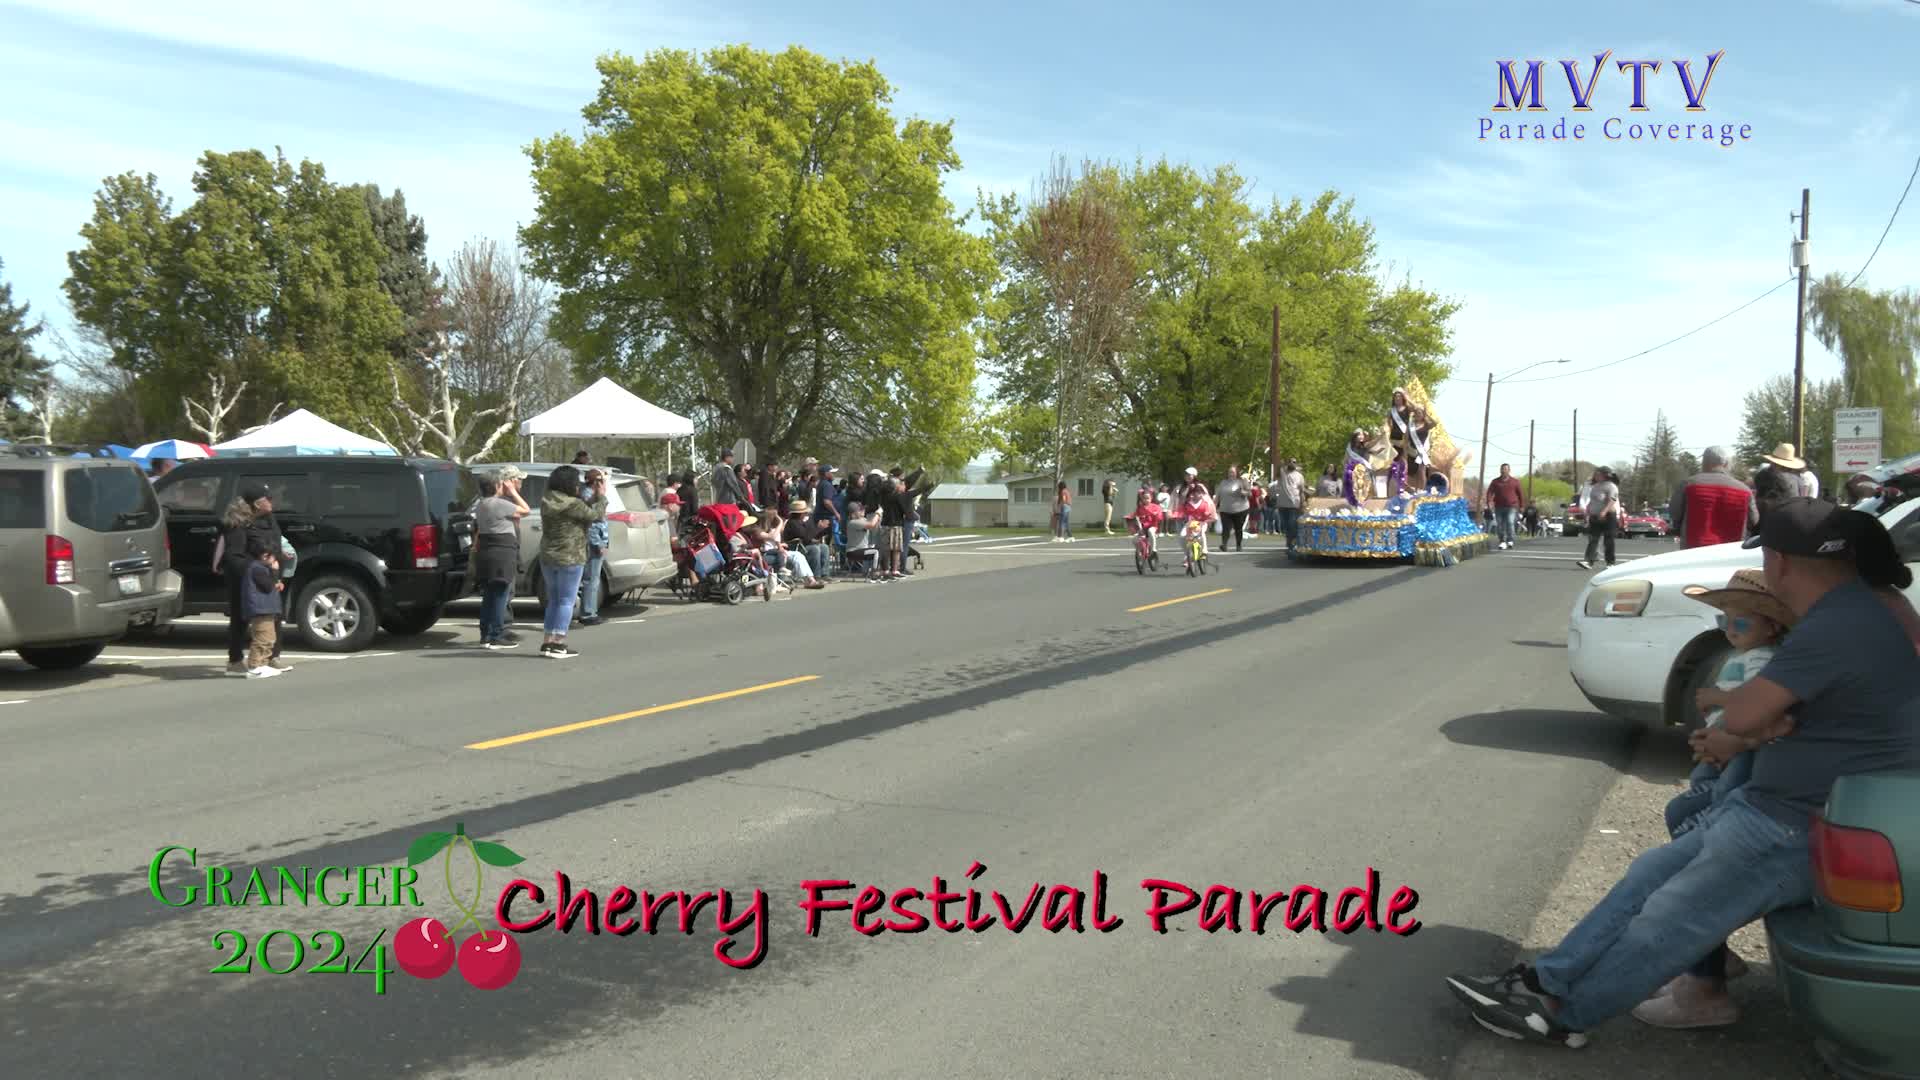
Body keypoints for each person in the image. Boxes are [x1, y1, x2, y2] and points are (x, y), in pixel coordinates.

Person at [1446, 498, 1920, 1046]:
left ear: (1781, 562)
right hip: (1772, 806)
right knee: (1647, 878)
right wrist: (1756, 726)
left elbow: (1745, 712)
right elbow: (1785, 717)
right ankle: (1542, 979)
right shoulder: (1854, 613)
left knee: (1671, 918)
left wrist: (1740, 719)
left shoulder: (1839, 622)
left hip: (1791, 823)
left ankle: (1559, 1015)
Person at [219, 484, 288, 677]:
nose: (272, 501)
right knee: (240, 618)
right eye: (268, 498)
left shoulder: (269, 519)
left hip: (266, 573)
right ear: (257, 504)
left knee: (273, 615)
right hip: (244, 577)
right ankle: (237, 661)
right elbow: (234, 556)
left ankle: (271, 658)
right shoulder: (237, 523)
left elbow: (274, 543)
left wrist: (275, 570)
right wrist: (258, 569)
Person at [537, 465, 604, 659]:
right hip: (571, 556)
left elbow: (585, 508)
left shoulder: (546, 500)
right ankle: (558, 643)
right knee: (567, 601)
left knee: (554, 600)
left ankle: (548, 640)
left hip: (548, 555)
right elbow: (595, 515)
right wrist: (602, 495)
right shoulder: (573, 504)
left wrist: (592, 497)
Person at [472, 472, 530, 650]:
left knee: (489, 595)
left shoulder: (480, 505)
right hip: (502, 553)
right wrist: (513, 492)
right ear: (497, 486)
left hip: (486, 553)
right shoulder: (500, 504)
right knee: (500, 594)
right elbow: (526, 510)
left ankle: (485, 634)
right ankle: (496, 634)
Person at [1670, 446, 1757, 549]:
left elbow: (1675, 513)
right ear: (1725, 464)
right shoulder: (1745, 490)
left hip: (1694, 549)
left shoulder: (1688, 485)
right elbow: (1754, 520)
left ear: (1704, 462)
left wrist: (1678, 529)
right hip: (1732, 551)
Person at [241, 538, 286, 680]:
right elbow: (266, 587)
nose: (274, 559)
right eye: (273, 556)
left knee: (269, 638)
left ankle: (263, 664)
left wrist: (275, 582)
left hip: (265, 609)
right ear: (265, 556)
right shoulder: (257, 569)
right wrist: (274, 572)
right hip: (261, 610)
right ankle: (254, 666)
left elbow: (268, 586)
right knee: (262, 638)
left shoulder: (259, 568)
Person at [577, 469, 610, 626]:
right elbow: (591, 523)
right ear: (597, 482)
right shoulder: (589, 496)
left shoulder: (589, 494)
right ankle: (588, 613)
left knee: (590, 578)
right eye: (602, 480)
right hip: (592, 542)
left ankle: (588, 611)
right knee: (591, 579)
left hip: (596, 540)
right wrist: (597, 543)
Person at [1575, 468, 1620, 570]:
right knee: (1593, 539)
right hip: (1595, 516)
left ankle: (1610, 563)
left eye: (1598, 474)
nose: (1595, 476)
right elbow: (1593, 500)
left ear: (1605, 475)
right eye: (1595, 474)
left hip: (1608, 516)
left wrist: (1603, 512)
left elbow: (1612, 500)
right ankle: (1589, 561)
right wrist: (1588, 510)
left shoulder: (1611, 486)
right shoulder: (1595, 486)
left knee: (1608, 540)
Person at [783, 499, 832, 585]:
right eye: (805, 512)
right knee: (814, 549)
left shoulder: (804, 521)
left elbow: (811, 534)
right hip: (795, 547)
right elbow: (806, 537)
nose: (806, 514)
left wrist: (823, 529)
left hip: (805, 545)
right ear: (800, 513)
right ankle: (816, 576)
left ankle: (824, 574)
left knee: (824, 547)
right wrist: (819, 528)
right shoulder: (792, 523)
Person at [1486, 463, 1524, 550]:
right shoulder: (1495, 482)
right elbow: (1489, 492)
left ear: (1509, 470)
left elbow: (1520, 494)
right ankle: (1502, 541)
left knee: (1510, 522)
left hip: (1511, 506)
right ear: (1500, 470)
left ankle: (1510, 540)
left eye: (1506, 469)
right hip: (1499, 506)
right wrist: (1489, 502)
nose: (1504, 471)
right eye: (1502, 469)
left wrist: (1522, 506)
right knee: (1500, 525)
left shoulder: (1515, 482)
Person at [1215, 466, 1252, 552]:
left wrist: (1243, 492)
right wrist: (1214, 505)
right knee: (1225, 528)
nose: (1231, 474)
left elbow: (1249, 494)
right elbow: (1218, 495)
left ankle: (1238, 545)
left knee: (1238, 528)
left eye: (1232, 472)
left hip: (1240, 509)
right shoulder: (1223, 482)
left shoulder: (1242, 481)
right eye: (1229, 472)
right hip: (1225, 509)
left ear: (1236, 473)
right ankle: (1224, 544)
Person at [1126, 488, 1162, 556]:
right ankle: (1140, 550)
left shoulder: (1156, 507)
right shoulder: (1140, 508)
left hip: (1153, 526)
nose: (1146, 500)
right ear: (1142, 499)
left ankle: (1153, 549)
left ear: (1151, 498)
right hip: (1143, 527)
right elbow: (1135, 516)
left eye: (1148, 498)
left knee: (1150, 531)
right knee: (1134, 539)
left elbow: (1160, 517)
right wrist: (1130, 517)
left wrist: (1155, 514)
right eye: (1144, 498)